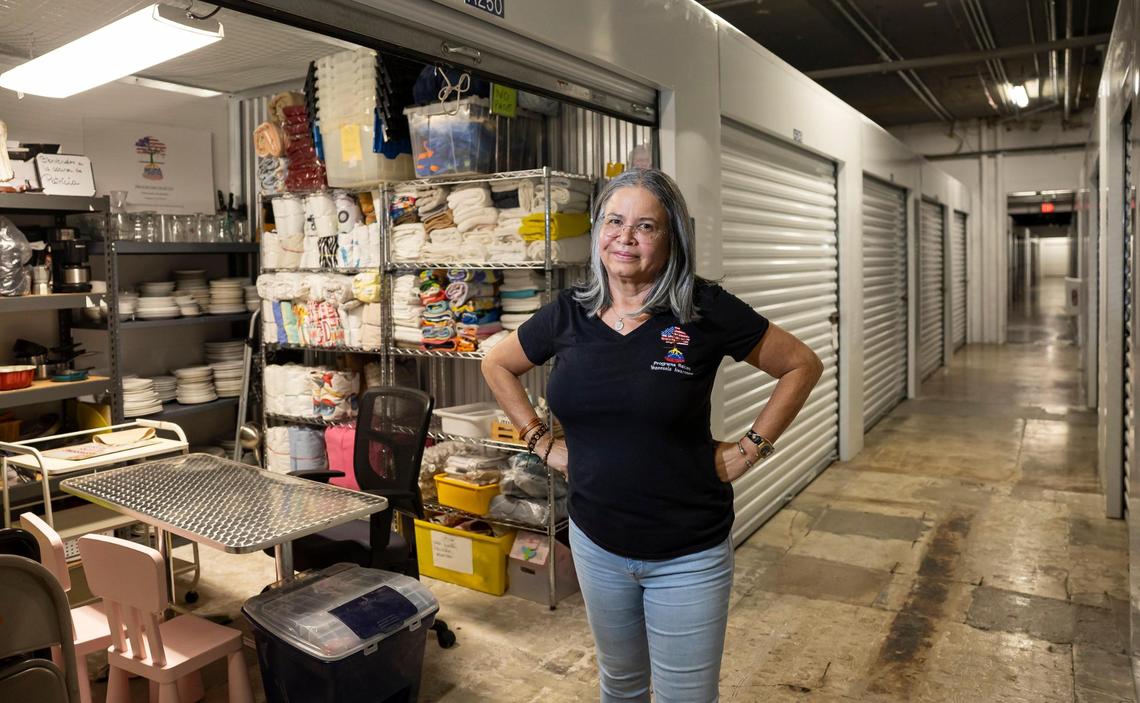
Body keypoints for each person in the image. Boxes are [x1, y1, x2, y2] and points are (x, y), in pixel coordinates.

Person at [481, 168, 823, 702]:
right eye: (614, 221)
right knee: (619, 688)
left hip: (687, 550)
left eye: (646, 226)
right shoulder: (568, 314)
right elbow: (497, 364)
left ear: (672, 239)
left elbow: (801, 365)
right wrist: (540, 442)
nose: (626, 237)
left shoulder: (702, 310)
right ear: (597, 231)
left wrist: (748, 451)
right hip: (596, 541)